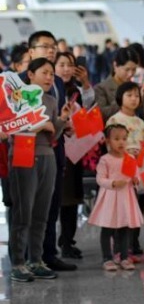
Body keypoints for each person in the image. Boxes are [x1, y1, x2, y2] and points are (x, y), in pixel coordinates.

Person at [9, 58, 73, 282]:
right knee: (23, 211)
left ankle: (36, 260)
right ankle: (18, 262)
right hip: (23, 153)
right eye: (44, 72)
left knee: (41, 212)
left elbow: (52, 135)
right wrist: (40, 125)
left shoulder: (51, 100)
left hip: (47, 155)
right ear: (30, 75)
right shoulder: (16, 98)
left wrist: (62, 122)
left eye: (51, 73)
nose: (49, 77)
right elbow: (10, 128)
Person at [106, 81, 144, 255]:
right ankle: (119, 243)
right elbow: (109, 145)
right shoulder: (114, 120)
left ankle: (134, 241)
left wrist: (142, 150)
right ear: (120, 98)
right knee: (122, 205)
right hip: (121, 167)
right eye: (129, 95)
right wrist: (125, 150)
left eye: (136, 95)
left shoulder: (140, 122)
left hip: (139, 167)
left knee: (138, 204)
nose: (134, 99)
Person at [88, 124, 144, 271]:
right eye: (117, 139)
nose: (121, 142)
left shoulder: (130, 158)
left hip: (126, 197)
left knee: (125, 228)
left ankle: (124, 257)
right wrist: (113, 183)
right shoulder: (105, 160)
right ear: (108, 141)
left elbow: (136, 174)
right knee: (107, 229)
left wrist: (136, 179)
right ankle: (107, 258)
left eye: (124, 139)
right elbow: (100, 179)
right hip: (110, 198)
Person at [54, 51, 92, 259]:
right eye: (61, 65)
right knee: (60, 198)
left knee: (73, 198)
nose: (66, 69)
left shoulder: (76, 90)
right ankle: (57, 242)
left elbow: (90, 108)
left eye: (69, 65)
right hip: (58, 148)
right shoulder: (51, 90)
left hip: (76, 150)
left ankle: (67, 239)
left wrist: (85, 83)